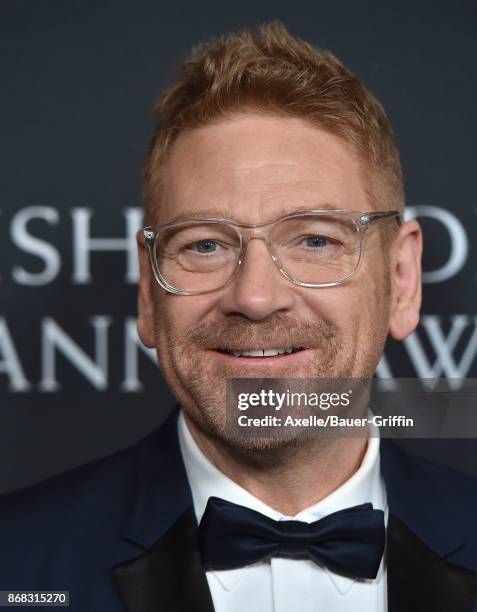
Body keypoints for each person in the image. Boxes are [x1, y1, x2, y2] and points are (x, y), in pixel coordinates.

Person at [1, 20, 477, 612]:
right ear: (149, 290)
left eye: (314, 240)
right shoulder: (14, 564)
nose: (255, 297)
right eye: (205, 245)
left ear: (401, 281)